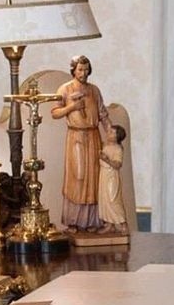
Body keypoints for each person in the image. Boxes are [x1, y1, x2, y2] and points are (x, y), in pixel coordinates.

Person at [50, 54, 112, 230]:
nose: (83, 73)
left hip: (93, 137)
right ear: (73, 70)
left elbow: (103, 114)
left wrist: (110, 134)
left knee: (94, 177)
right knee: (78, 176)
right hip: (76, 137)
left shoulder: (94, 90)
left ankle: (92, 221)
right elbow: (54, 113)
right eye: (80, 69)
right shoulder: (65, 89)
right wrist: (71, 107)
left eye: (86, 69)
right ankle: (74, 221)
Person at [98, 123, 129, 233]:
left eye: (112, 132)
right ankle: (109, 224)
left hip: (111, 177)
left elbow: (117, 165)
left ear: (117, 137)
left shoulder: (118, 149)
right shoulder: (106, 146)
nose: (108, 133)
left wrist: (106, 159)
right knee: (104, 200)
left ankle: (123, 224)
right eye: (109, 131)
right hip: (104, 176)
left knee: (113, 200)